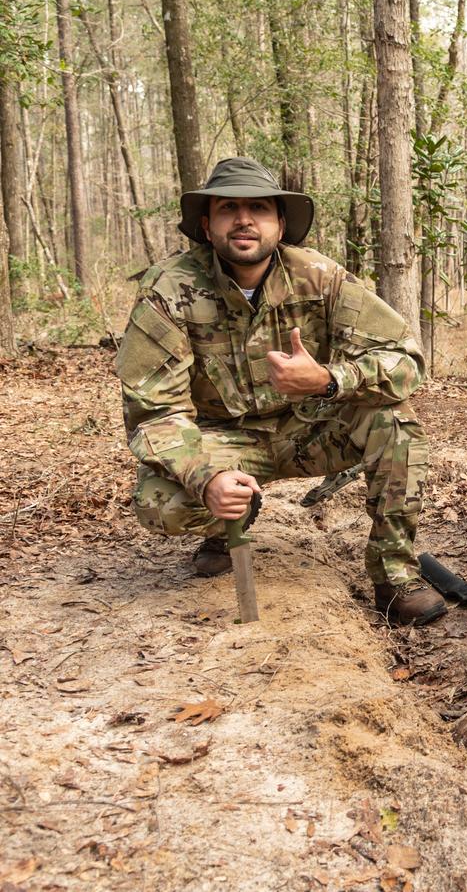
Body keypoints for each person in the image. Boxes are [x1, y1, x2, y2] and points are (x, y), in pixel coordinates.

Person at [115, 156, 446, 625]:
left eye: (259, 209)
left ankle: (393, 576)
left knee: (394, 420)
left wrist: (331, 380)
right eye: (228, 208)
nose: (244, 220)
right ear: (207, 227)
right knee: (159, 503)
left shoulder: (321, 276)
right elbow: (154, 413)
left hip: (310, 430)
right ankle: (229, 517)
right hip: (222, 442)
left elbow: (407, 361)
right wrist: (205, 478)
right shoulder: (170, 289)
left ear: (281, 224)